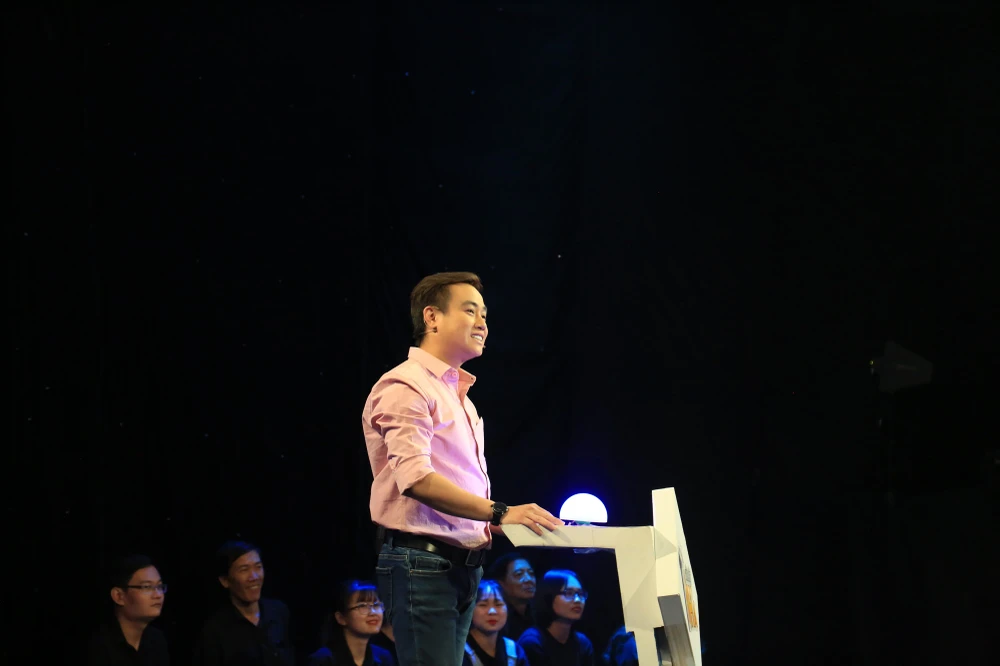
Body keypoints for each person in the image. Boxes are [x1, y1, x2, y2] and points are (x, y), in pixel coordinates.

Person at [362, 271, 564, 666]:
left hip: (462, 567)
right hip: (423, 564)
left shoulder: (461, 399)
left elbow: (454, 494)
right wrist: (500, 511)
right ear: (432, 317)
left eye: (484, 314)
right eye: (470, 311)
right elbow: (417, 480)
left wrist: (506, 524)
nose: (482, 323)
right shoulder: (406, 385)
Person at [193, 541, 294, 666]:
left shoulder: (279, 611)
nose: (254, 577)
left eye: (258, 567)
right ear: (225, 581)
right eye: (244, 570)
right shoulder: (214, 632)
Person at [87, 554, 170, 666]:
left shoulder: (157, 640)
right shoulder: (96, 646)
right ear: (118, 596)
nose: (158, 595)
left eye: (159, 587)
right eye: (146, 587)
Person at [306, 579, 396, 666]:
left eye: (376, 605)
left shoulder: (383, 657)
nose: (373, 612)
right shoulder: (323, 660)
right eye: (362, 606)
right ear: (341, 618)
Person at [517, 570, 596, 666]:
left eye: (580, 594)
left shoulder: (583, 643)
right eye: (569, 593)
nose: (577, 600)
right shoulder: (532, 643)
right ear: (549, 597)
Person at [462, 580, 529, 666]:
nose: (492, 611)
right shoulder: (458, 652)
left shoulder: (515, 651)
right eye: (483, 605)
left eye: (498, 604)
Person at [487, 553, 536, 641]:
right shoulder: (495, 616)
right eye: (519, 574)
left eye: (531, 573)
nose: (529, 579)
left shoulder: (539, 613)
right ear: (501, 583)